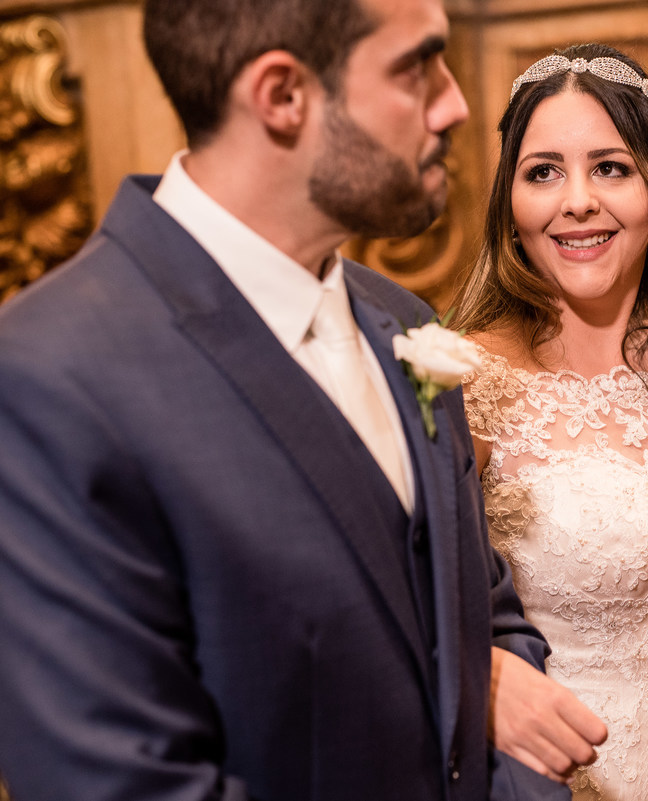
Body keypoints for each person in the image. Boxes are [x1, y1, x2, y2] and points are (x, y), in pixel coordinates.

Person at [0, 1, 607, 799]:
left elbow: (485, 619)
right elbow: (121, 777)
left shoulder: (406, 322)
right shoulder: (51, 374)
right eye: (416, 66)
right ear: (283, 95)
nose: (456, 103)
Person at [452, 43, 648, 801]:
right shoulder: (469, 386)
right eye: (543, 172)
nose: (578, 201)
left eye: (610, 167)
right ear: (510, 202)